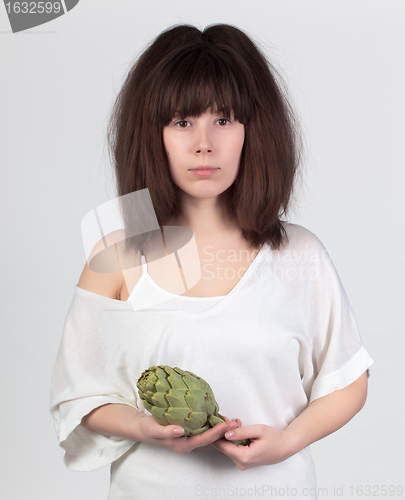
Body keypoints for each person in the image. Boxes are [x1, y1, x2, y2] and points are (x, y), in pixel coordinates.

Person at [50, 23, 374, 500]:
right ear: (153, 133)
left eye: (223, 120)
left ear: (253, 131)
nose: (204, 143)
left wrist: (287, 442)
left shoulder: (299, 253)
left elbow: (348, 378)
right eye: (182, 122)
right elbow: (80, 394)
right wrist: (144, 427)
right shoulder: (116, 254)